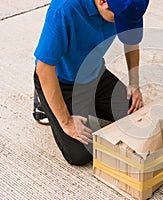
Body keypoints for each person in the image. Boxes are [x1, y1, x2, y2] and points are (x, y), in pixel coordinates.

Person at [33, 0, 149, 165]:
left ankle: (85, 104)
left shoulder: (126, 7)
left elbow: (131, 41)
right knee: (81, 154)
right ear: (103, 1)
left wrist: (134, 83)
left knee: (135, 109)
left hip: (94, 74)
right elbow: (44, 69)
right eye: (119, 21)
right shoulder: (64, 9)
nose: (122, 27)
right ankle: (43, 99)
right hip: (60, 81)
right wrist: (66, 121)